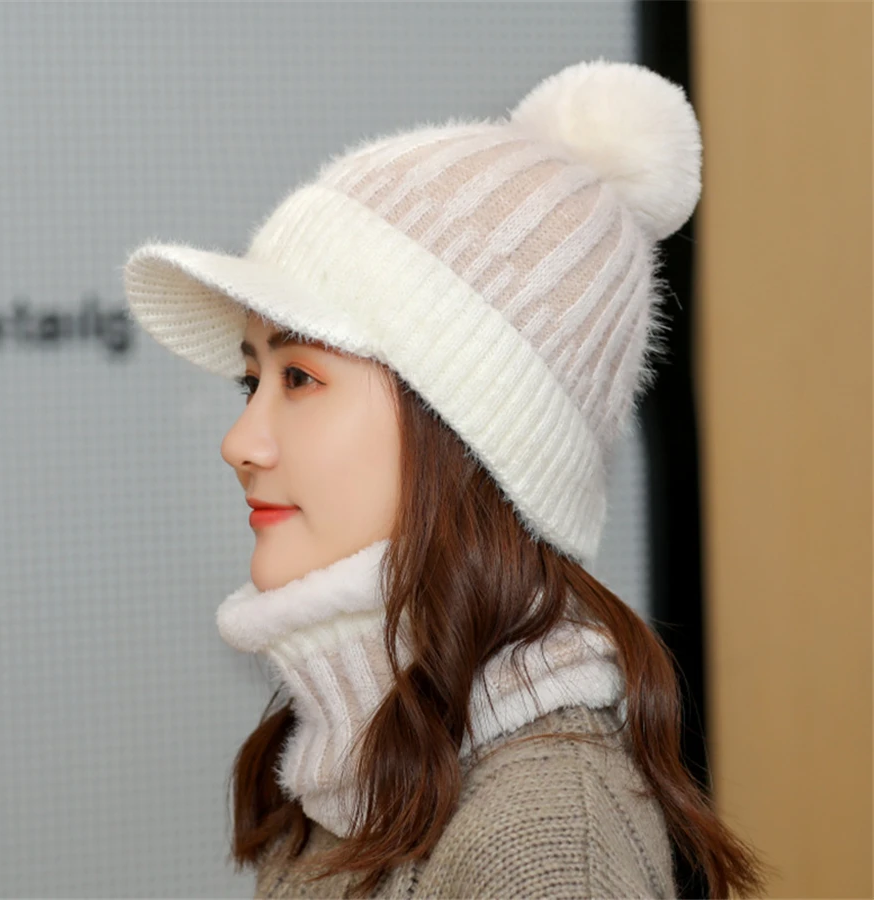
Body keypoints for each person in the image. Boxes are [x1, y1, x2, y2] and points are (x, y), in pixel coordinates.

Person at [123, 60, 767, 899]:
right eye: (253, 383)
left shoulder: (541, 846)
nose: (240, 443)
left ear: (467, 427)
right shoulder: (358, 770)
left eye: (300, 378)